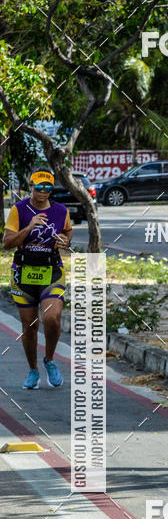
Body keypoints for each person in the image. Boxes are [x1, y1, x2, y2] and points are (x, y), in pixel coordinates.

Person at [3, 166, 71, 389]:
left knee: (52, 318)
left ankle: (49, 359)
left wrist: (65, 239)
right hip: (23, 273)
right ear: (30, 186)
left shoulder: (61, 211)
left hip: (51, 272)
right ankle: (33, 369)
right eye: (39, 186)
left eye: (47, 187)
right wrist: (29, 227)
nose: (43, 191)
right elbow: (7, 242)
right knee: (29, 326)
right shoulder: (19, 209)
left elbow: (68, 231)